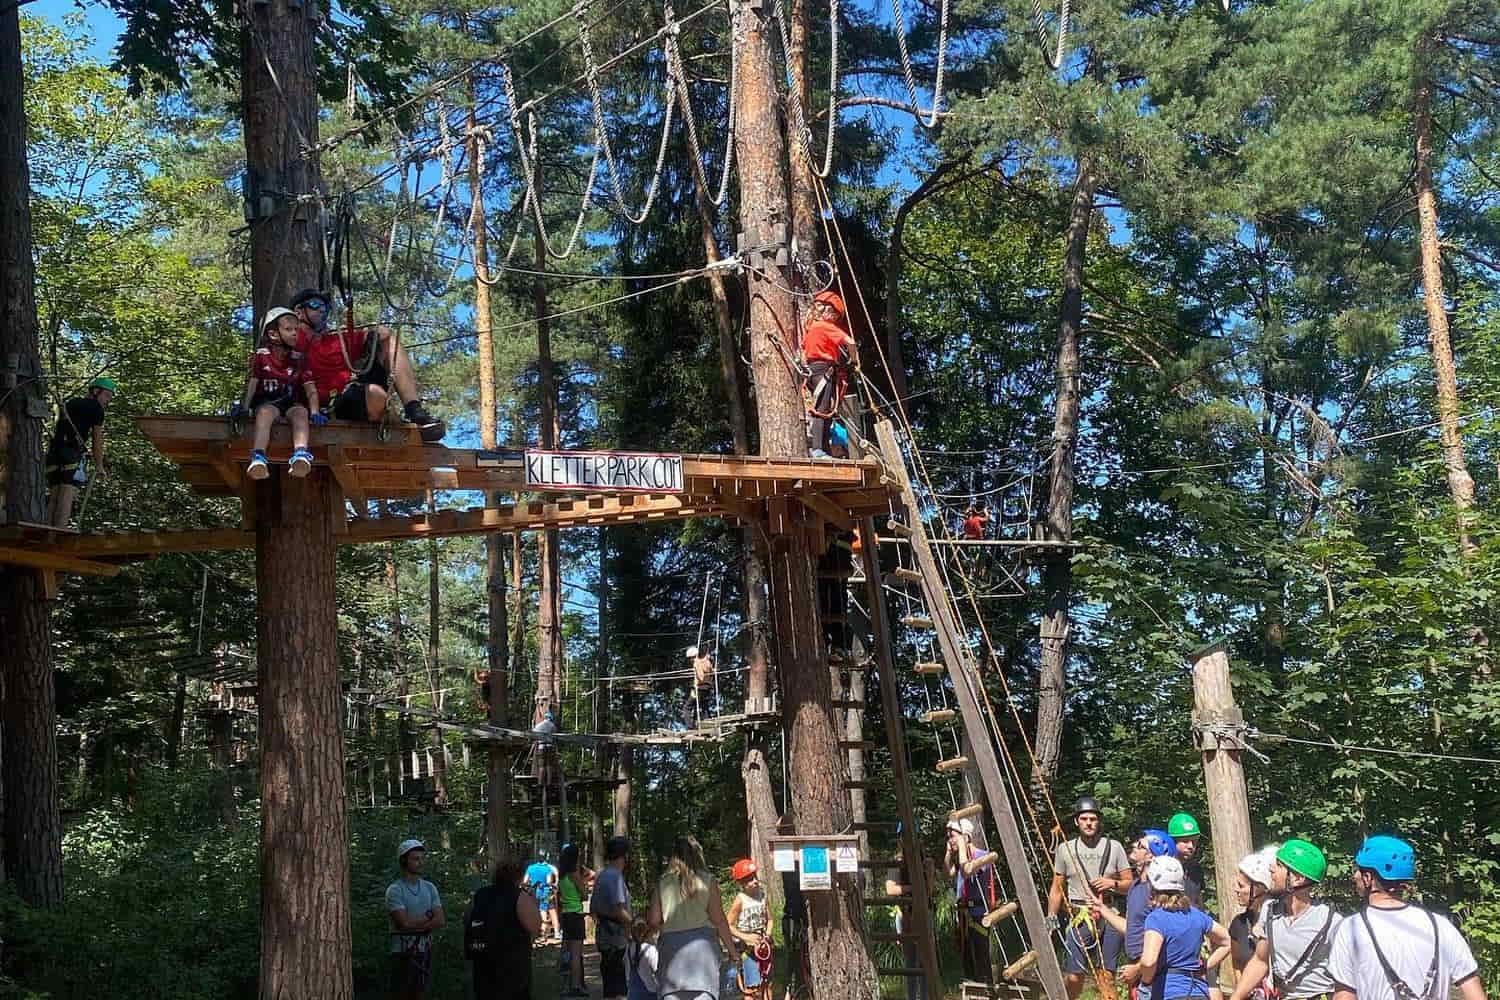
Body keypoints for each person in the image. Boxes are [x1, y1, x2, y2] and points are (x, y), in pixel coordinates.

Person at [1327, 834, 1485, 1000]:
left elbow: (1344, 995)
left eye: (1359, 870)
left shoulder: (1351, 928)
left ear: (1368, 878)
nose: (1354, 876)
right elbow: (1474, 992)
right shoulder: (1440, 925)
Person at [289, 288, 445, 441]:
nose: (323, 311)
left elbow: (384, 334)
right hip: (315, 410)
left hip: (344, 401)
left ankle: (414, 411)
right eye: (316, 305)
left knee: (388, 342)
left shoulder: (336, 341)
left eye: (326, 307)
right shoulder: (288, 340)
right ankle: (400, 426)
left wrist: (372, 337)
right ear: (298, 311)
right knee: (375, 394)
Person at [1227, 840, 1341, 1000]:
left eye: (1279, 865)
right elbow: (1260, 961)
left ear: (1298, 878)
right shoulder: (1270, 911)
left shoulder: (1331, 921)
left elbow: (1349, 975)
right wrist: (1236, 997)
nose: (1271, 868)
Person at [1048, 796, 1133, 1000]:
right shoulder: (1065, 849)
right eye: (1084, 818)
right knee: (1075, 975)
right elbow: (1057, 887)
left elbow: (1130, 883)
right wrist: (1050, 917)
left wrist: (1112, 884)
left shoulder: (1114, 847)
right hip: (1080, 916)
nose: (1088, 823)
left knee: (1107, 976)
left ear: (1099, 821)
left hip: (1110, 915)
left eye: (1093, 819)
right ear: (1077, 821)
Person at [647, 835, 739, 1000]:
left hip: (672, 954)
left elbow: (653, 920)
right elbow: (719, 920)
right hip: (703, 954)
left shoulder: (662, 882)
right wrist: (733, 953)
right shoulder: (707, 881)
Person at [233, 306, 318, 480]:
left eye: (296, 329)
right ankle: (259, 456)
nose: (295, 333)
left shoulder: (299, 359)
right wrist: (244, 406)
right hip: (266, 402)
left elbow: (310, 388)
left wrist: (315, 411)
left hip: (288, 402)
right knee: (265, 413)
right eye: (288, 329)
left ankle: (300, 454)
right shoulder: (261, 357)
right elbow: (253, 382)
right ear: (273, 334)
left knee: (301, 412)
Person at [1138, 855, 1232, 999]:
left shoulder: (1156, 919)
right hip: (1198, 992)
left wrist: (1145, 983)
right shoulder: (1196, 915)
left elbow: (1149, 961)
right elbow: (1227, 940)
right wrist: (1208, 966)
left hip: (1168, 993)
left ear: (1152, 885)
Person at [1096, 828, 1176, 993]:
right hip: (1139, 970)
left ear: (1151, 856)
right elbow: (1131, 927)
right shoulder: (1136, 886)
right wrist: (1101, 909)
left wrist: (1138, 968)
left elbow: (1168, 937)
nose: (1134, 845)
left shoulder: (1158, 892)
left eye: (1140, 846)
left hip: (1155, 971)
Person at [45, 376, 115, 528]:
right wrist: (99, 465)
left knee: (55, 494)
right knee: (67, 493)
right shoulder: (97, 409)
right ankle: (59, 532)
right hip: (72, 454)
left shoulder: (71, 403)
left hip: (54, 453)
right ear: (96, 391)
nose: (108, 400)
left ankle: (47, 531)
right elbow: (97, 440)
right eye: (107, 395)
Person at [469, 856, 543, 1000]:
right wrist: (534, 902)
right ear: (519, 876)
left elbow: (468, 919)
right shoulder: (520, 897)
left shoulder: (480, 894)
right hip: (512, 965)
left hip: (484, 962)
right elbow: (535, 927)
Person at [387, 838, 446, 1000]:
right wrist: (428, 918)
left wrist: (415, 924)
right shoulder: (395, 890)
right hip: (401, 952)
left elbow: (440, 920)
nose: (420, 862)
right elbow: (403, 923)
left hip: (425, 950)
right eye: (415, 859)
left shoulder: (429, 887)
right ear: (404, 860)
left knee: (420, 994)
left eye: (422, 858)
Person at [801, 289, 856, 458]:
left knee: (824, 410)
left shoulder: (811, 330)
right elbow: (850, 342)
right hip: (824, 370)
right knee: (822, 411)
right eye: (834, 313)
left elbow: (804, 353)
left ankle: (823, 449)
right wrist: (853, 360)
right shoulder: (825, 326)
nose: (835, 318)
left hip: (813, 371)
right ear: (826, 310)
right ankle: (818, 449)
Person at [945, 816, 997, 986]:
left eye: (953, 836)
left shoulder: (982, 856)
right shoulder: (960, 860)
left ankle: (987, 992)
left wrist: (961, 847)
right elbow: (949, 872)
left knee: (981, 959)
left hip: (978, 914)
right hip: (963, 914)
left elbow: (967, 871)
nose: (950, 840)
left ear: (966, 837)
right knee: (967, 960)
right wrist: (948, 852)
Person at [592, 836, 635, 1000]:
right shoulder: (615, 877)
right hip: (615, 934)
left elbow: (593, 908)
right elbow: (619, 910)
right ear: (623, 856)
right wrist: (635, 924)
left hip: (603, 933)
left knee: (609, 981)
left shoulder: (602, 875)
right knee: (619, 983)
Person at [885, 845, 927, 1000]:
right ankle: (911, 997)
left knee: (924, 961)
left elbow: (928, 887)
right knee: (910, 963)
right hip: (904, 914)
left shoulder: (923, 862)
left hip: (922, 914)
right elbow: (890, 889)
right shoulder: (897, 863)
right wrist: (912, 887)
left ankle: (925, 996)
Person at [776, 815, 811, 1000]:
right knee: (793, 953)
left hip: (805, 912)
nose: (783, 834)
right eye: (781, 831)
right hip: (791, 913)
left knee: (805, 952)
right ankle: (790, 991)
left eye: (787, 830)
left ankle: (806, 988)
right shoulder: (784, 853)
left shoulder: (802, 849)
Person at [1228, 847, 1276, 979]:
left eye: (1241, 886)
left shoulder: (1279, 922)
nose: (1236, 890)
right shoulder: (1239, 924)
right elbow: (1237, 964)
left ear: (1259, 888)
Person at [727, 859, 772, 1000]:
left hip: (764, 946)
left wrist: (768, 934)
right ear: (741, 883)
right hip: (748, 950)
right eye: (749, 879)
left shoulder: (762, 896)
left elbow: (770, 919)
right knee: (751, 988)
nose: (755, 881)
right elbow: (728, 925)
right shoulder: (740, 900)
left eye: (755, 877)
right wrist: (746, 938)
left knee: (767, 982)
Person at [557, 841, 595, 998]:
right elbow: (584, 895)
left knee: (566, 952)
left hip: (566, 914)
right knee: (576, 953)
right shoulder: (574, 874)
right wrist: (584, 885)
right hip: (576, 915)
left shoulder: (561, 874)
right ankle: (576, 986)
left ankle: (566, 986)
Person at [1168, 813, 1206, 906]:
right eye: (1185, 841)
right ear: (1172, 841)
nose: (1191, 846)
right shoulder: (1164, 870)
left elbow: (1199, 903)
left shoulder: (1195, 869)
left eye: (1194, 841)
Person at [525, 853, 561, 944]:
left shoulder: (530, 868)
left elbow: (525, 881)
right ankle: (554, 933)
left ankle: (541, 934)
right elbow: (549, 881)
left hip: (534, 892)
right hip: (547, 892)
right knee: (551, 911)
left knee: (541, 911)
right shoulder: (549, 868)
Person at [628, 915, 662, 1000]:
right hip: (649, 993)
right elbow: (657, 971)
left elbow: (627, 970)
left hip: (632, 993)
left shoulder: (628, 948)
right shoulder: (650, 950)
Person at [683, 646, 714, 729]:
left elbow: (701, 677)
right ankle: (708, 726)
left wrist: (696, 682)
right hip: (708, 688)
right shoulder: (707, 662)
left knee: (687, 707)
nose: (690, 660)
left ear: (693, 656)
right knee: (704, 707)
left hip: (699, 688)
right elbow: (712, 672)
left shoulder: (697, 663)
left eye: (690, 658)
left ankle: (690, 727)